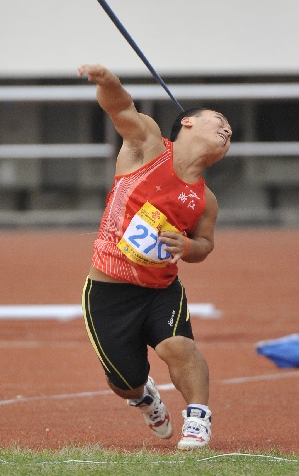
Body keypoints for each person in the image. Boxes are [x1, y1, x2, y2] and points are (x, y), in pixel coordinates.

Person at [78, 63, 232, 451]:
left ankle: (197, 417)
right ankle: (144, 397)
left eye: (231, 132)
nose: (227, 130)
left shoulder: (206, 200)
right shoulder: (147, 146)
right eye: (220, 120)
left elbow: (205, 245)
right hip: (108, 291)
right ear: (189, 124)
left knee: (177, 347)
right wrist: (107, 81)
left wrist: (188, 248)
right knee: (125, 380)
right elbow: (121, 108)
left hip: (160, 289)